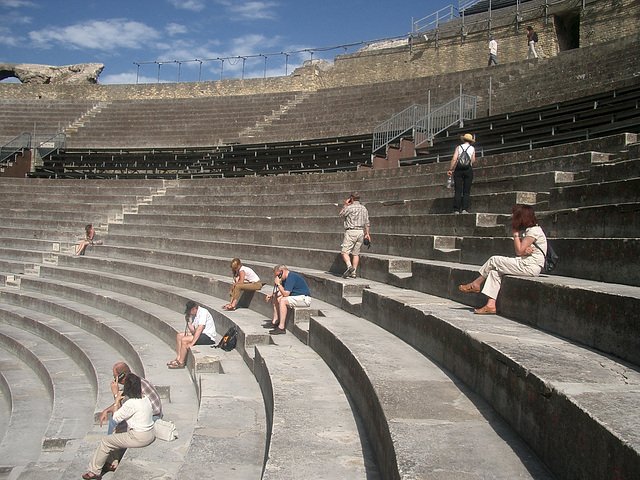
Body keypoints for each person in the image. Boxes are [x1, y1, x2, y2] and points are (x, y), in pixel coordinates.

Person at [458, 204, 547, 314]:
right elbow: (522, 251)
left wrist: (515, 234)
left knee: (494, 260)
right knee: (494, 272)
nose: (512, 217)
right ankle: (490, 305)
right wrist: (524, 250)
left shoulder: (533, 231)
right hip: (525, 263)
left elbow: (518, 251)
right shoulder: (531, 230)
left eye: (515, 215)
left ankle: (475, 284)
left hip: (529, 266)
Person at [83, 373, 156, 479]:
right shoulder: (145, 398)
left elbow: (115, 418)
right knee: (118, 430)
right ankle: (113, 462)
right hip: (149, 433)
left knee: (106, 441)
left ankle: (94, 471)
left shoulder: (131, 403)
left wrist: (116, 397)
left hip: (139, 437)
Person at [99, 362, 162, 435]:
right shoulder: (134, 381)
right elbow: (122, 403)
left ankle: (109, 441)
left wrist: (115, 394)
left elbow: (118, 412)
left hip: (152, 418)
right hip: (146, 414)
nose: (115, 381)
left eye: (115, 377)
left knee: (114, 422)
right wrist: (106, 410)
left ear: (122, 376)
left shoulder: (133, 385)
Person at [167, 300, 216, 369]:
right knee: (179, 336)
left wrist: (192, 343)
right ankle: (178, 358)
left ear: (194, 309)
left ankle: (181, 362)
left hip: (208, 336)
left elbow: (199, 329)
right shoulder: (194, 315)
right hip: (200, 334)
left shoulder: (203, 312)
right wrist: (188, 321)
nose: (189, 313)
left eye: (189, 311)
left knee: (184, 340)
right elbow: (193, 330)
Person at [264, 264, 311, 335]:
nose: (278, 277)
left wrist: (278, 284)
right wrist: (272, 295)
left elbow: (285, 293)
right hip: (296, 297)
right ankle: (275, 321)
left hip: (304, 298)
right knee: (275, 296)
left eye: (278, 275)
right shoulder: (285, 278)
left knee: (282, 300)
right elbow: (281, 291)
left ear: (282, 271)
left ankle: (281, 327)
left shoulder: (291, 277)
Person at [339, 192, 371, 279]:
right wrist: (367, 234)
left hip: (351, 231)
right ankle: (354, 272)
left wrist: (345, 205)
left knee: (344, 251)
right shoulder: (364, 208)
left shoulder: (349, 208)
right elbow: (367, 223)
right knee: (356, 253)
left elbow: (341, 214)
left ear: (351, 199)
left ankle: (350, 267)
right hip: (361, 232)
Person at [447, 133, 476, 214]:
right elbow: (473, 160)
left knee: (458, 190)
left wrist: (450, 169)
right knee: (466, 190)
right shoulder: (472, 148)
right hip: (468, 169)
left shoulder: (459, 147)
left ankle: (456, 209)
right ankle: (465, 209)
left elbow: (454, 159)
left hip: (459, 169)